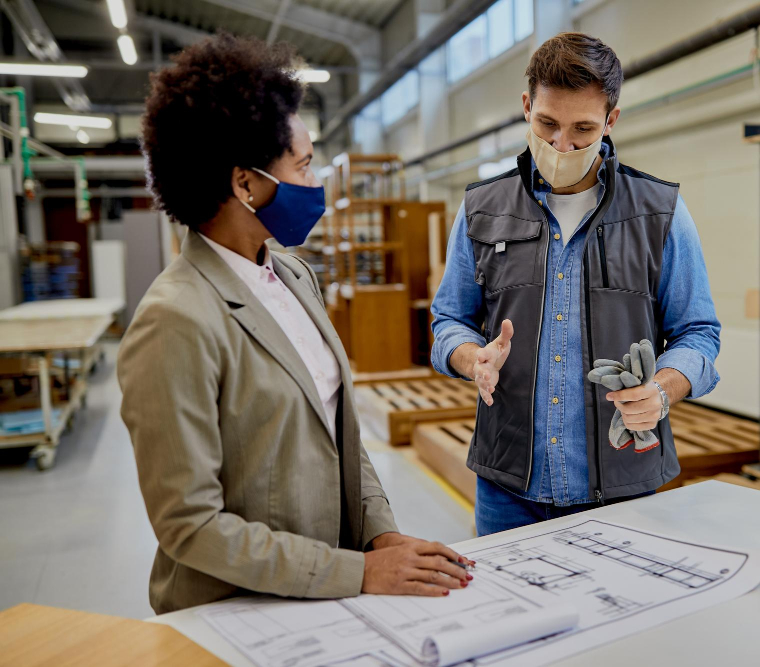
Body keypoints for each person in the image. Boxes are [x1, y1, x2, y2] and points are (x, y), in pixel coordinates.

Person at [119, 34, 471, 615]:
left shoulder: (292, 277)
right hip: (239, 610)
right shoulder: (175, 320)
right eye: (304, 166)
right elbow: (191, 525)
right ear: (246, 184)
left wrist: (380, 535)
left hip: (322, 596)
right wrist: (355, 571)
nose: (317, 184)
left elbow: (342, 437)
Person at [431, 33, 722, 536]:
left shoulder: (660, 213)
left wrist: (661, 390)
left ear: (611, 120)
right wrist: (469, 357)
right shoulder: (481, 209)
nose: (562, 145)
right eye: (547, 124)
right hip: (507, 490)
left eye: (583, 129)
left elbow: (699, 333)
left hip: (624, 487)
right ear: (527, 107)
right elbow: (448, 320)